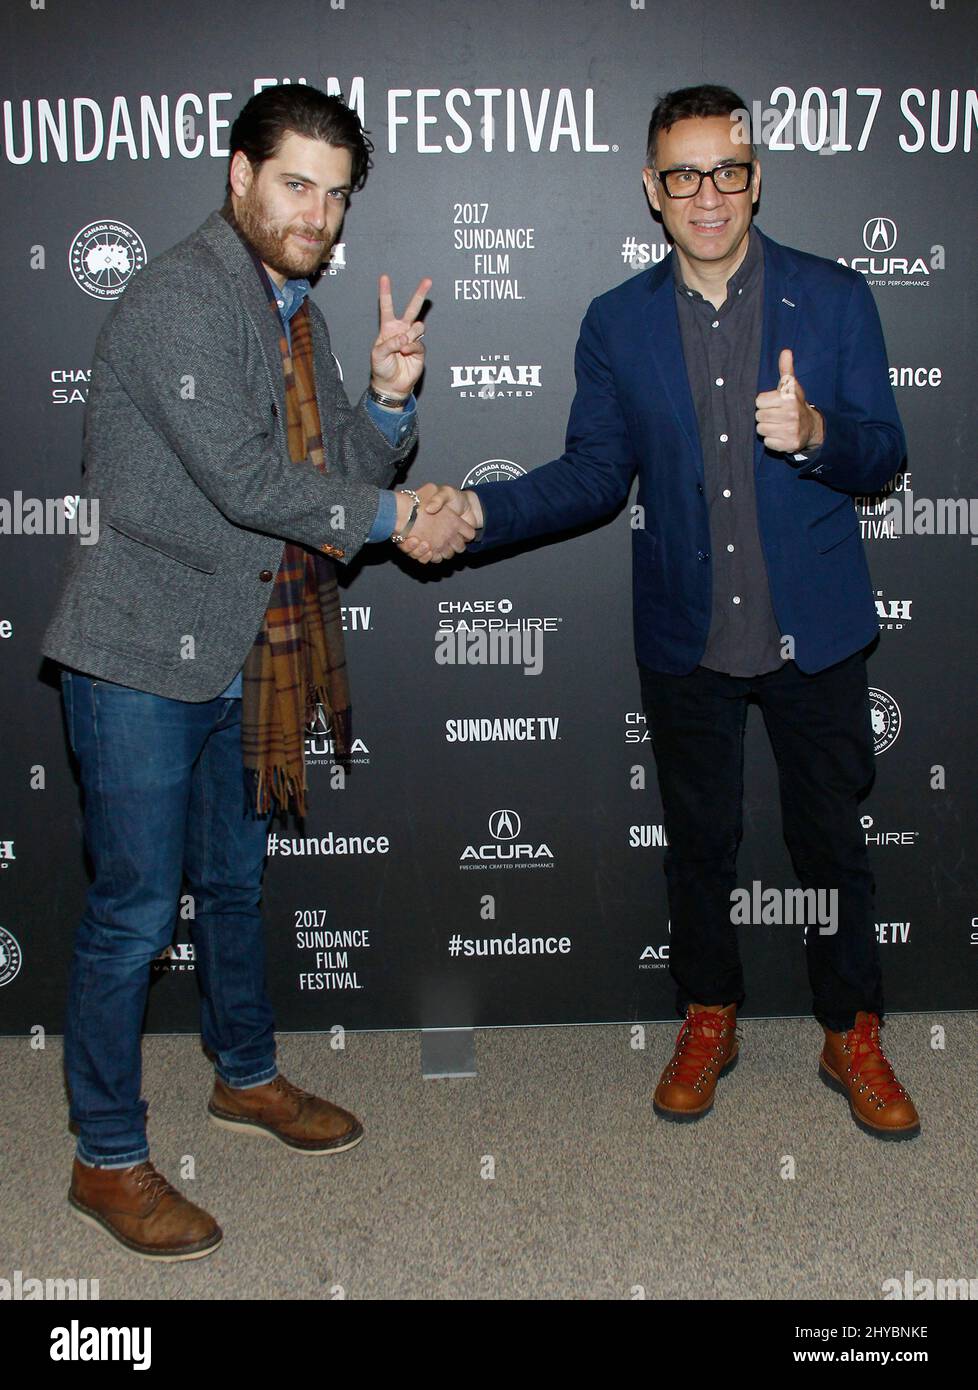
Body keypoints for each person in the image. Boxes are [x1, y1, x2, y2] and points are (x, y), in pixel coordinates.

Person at [414, 84, 919, 1141]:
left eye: (727, 170)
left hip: (814, 629)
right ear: (652, 189)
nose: (707, 195)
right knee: (699, 843)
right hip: (688, 631)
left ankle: (851, 1027)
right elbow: (596, 475)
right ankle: (710, 1013)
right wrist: (477, 507)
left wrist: (820, 429)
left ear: (755, 176)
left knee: (833, 844)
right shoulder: (618, 321)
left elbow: (885, 453)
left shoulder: (833, 298)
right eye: (683, 174)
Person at [42, 83, 475, 1262]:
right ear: (237, 174)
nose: (317, 216)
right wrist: (400, 510)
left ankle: (244, 1076)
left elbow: (327, 459)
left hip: (242, 647)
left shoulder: (298, 315)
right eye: (296, 185)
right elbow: (248, 482)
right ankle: (107, 1158)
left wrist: (387, 397)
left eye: (335, 197)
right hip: (137, 654)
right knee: (133, 913)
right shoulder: (186, 297)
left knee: (232, 887)